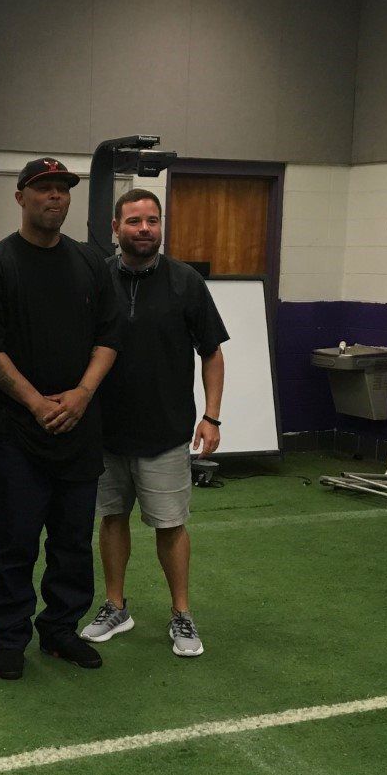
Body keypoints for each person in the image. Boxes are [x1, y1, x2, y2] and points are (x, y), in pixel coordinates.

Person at [0, 157, 120, 680]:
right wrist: (36, 403)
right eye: (44, 188)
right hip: (15, 434)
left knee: (73, 542)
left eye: (62, 189)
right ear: (20, 197)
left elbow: (110, 336)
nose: (56, 197)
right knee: (14, 542)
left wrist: (81, 395)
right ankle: (10, 637)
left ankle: (59, 631)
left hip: (79, 429)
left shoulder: (91, 264)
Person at [79, 189, 228, 658]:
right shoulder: (97, 279)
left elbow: (212, 352)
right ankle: (115, 606)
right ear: (115, 228)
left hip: (166, 433)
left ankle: (181, 613)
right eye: (134, 221)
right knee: (112, 519)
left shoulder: (186, 282)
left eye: (152, 221)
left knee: (171, 525)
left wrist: (211, 416)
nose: (144, 229)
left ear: (161, 226)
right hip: (106, 432)